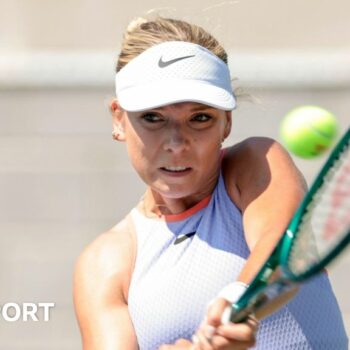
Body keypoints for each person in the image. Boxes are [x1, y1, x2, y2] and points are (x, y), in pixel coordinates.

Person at [73, 16, 348, 350]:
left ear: (226, 123)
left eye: (200, 118)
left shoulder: (255, 163)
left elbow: (280, 249)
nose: (176, 142)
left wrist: (235, 307)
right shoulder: (104, 262)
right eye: (153, 118)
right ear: (119, 120)